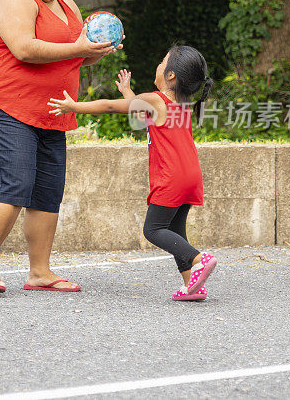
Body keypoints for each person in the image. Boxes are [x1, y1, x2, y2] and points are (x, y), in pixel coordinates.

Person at [0, 0, 119, 294]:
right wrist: (79, 46)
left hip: (51, 108)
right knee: (13, 185)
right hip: (5, 105)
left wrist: (93, 50)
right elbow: (24, 49)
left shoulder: (68, 6)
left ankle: (40, 272)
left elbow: (73, 50)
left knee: (48, 191)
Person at [48, 45, 217, 301]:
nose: (158, 66)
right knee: (176, 230)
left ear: (171, 75)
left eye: (162, 61)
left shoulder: (157, 99)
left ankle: (199, 259)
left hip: (170, 177)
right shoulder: (179, 102)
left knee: (154, 229)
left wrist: (75, 106)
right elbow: (138, 110)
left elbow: (110, 107)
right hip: (190, 176)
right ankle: (192, 286)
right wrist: (127, 91)